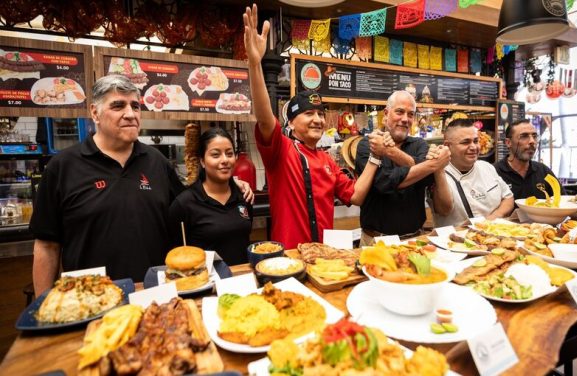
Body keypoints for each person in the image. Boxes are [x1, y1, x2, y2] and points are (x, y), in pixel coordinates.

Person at [29, 75, 252, 296]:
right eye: (118, 106)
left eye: (135, 106)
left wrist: (231, 183)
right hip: (89, 300)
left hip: (154, 295)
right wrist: (42, 307)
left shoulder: (157, 163)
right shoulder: (63, 167)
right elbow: (47, 246)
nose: (130, 114)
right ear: (94, 112)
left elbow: (194, 201)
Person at [243, 4, 380, 249]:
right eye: (308, 114)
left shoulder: (328, 161)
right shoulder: (281, 150)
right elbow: (264, 118)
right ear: (291, 123)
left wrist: (375, 157)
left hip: (325, 257)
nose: (317, 119)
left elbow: (356, 196)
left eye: (320, 113)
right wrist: (255, 64)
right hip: (289, 259)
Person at [354, 91, 451, 245]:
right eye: (399, 112)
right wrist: (427, 166)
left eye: (411, 114)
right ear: (386, 114)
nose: (405, 119)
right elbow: (383, 182)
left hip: (415, 239)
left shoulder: (420, 145)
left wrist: (389, 151)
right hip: (375, 241)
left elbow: (426, 176)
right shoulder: (368, 144)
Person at [168, 128, 252, 265]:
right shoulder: (184, 204)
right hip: (205, 283)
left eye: (229, 154)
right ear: (202, 161)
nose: (225, 160)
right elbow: (174, 254)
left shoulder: (244, 196)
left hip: (242, 280)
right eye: (215, 155)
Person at [431, 119, 513, 227]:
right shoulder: (438, 173)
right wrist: (438, 167)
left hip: (494, 235)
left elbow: (508, 198)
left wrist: (492, 219)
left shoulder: (487, 167)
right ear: (447, 145)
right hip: (455, 240)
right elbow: (444, 210)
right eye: (465, 142)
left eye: (475, 141)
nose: (473, 147)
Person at [496, 119, 563, 200]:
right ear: (508, 142)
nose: (532, 141)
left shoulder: (543, 171)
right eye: (524, 136)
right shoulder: (494, 173)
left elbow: (562, 202)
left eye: (534, 136)